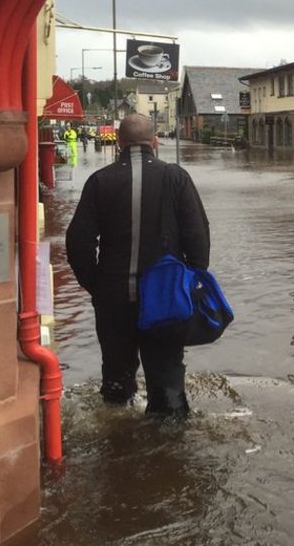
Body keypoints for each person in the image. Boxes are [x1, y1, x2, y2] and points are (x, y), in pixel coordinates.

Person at [65, 113, 210, 416]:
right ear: (155, 141)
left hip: (113, 299)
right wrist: (188, 285)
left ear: (119, 142)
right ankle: (168, 434)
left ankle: (118, 429)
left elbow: (78, 243)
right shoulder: (176, 178)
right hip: (165, 303)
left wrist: (97, 286)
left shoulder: (99, 181)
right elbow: (198, 239)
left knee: (116, 382)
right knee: (167, 379)